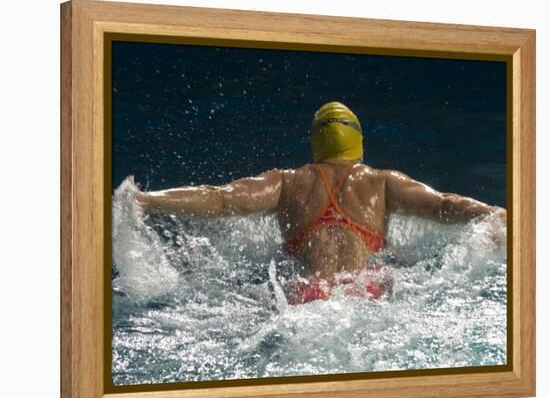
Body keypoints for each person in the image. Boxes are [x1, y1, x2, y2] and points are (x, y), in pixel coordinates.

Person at [134, 102, 506, 305]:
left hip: (303, 297)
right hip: (366, 294)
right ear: (357, 141)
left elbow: (219, 199)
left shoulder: (285, 182)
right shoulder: (381, 182)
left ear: (316, 142)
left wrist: (148, 200)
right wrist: (493, 213)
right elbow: (446, 205)